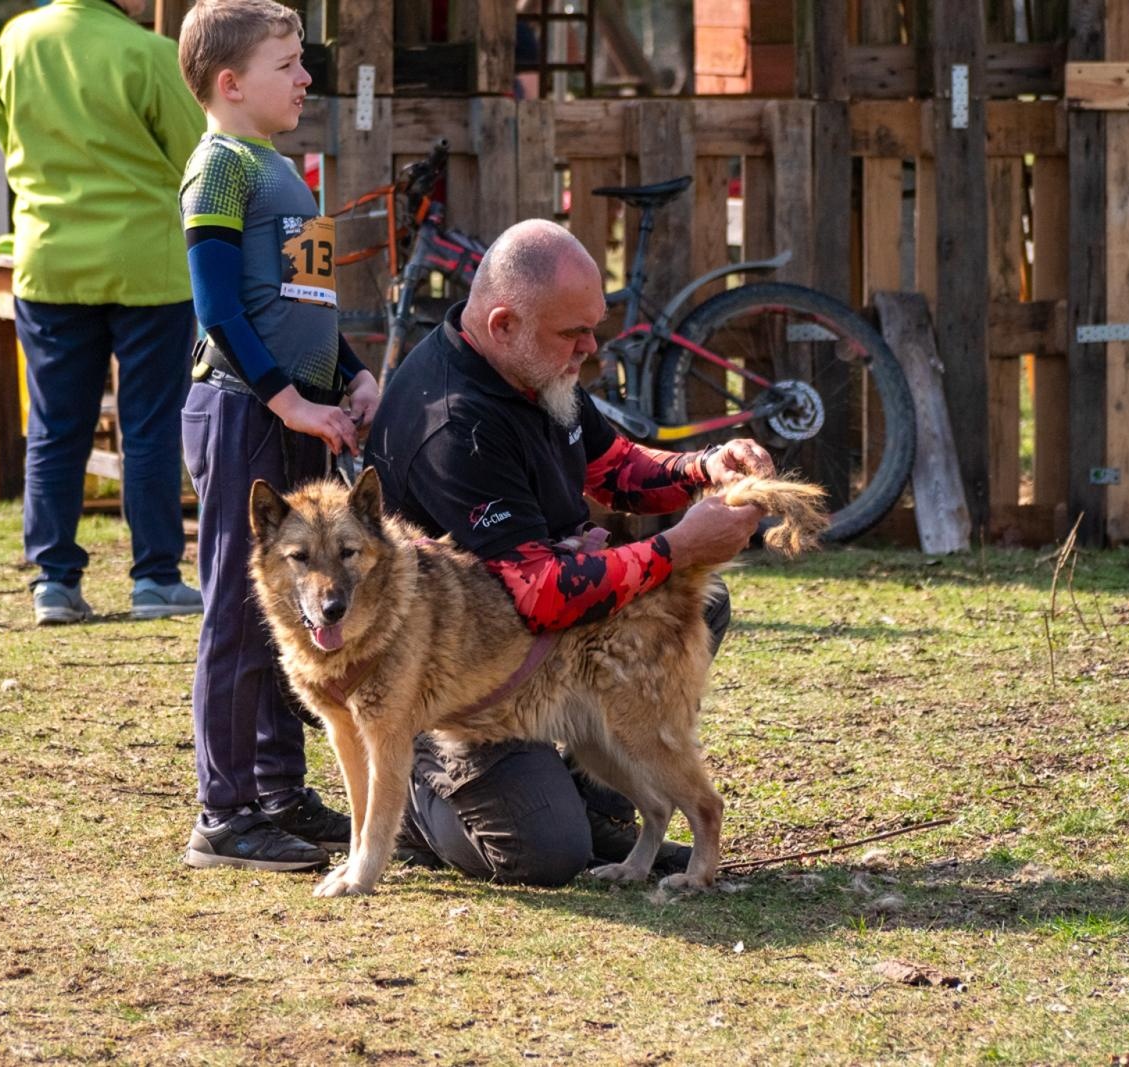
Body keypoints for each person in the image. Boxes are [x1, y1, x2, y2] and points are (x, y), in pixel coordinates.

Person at [366, 219, 776, 886]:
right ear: (503, 324)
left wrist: (708, 466)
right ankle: (418, 793)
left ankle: (598, 788)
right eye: (573, 334)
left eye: (593, 327)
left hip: (532, 656)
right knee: (547, 853)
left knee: (699, 604)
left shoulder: (535, 367)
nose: (592, 348)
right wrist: (679, 544)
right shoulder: (455, 425)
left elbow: (615, 467)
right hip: (456, 700)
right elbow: (540, 593)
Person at [174, 0, 379, 871]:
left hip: (295, 413)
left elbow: (308, 306)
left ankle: (279, 791)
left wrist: (352, 373)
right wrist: (288, 402)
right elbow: (219, 309)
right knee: (234, 610)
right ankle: (223, 815)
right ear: (231, 83)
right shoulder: (220, 168)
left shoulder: (286, 173)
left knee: (291, 612)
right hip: (242, 413)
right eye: (288, 63)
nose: (306, 78)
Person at [0, 0, 207, 625]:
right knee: (150, 428)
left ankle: (53, 581)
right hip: (147, 262)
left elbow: (6, 132)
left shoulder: (15, 40)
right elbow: (193, 153)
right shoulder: (151, 53)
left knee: (55, 427)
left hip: (50, 256)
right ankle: (155, 578)